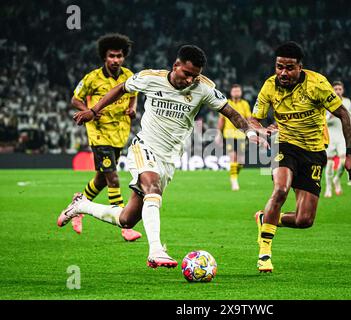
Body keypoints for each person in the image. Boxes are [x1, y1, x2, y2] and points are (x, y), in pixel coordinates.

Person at [57, 45, 268, 268]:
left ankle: (81, 205)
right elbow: (121, 89)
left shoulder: (203, 88)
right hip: (144, 147)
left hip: (169, 159)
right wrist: (94, 110)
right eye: (186, 74)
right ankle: (156, 250)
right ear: (175, 65)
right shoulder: (150, 78)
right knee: (153, 188)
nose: (190, 80)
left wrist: (250, 132)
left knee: (127, 219)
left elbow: (230, 112)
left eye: (194, 76)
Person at [249, 41, 351, 273]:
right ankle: (264, 252)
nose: (283, 73)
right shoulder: (269, 86)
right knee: (280, 189)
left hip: (313, 152)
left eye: (289, 68)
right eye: (279, 67)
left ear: (300, 67)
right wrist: (260, 130)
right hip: (285, 146)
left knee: (304, 220)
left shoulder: (317, 84)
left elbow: (344, 115)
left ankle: (266, 218)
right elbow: (254, 118)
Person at [70, 33, 142, 241]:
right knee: (112, 176)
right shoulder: (92, 78)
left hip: (119, 133)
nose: (116, 60)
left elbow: (134, 94)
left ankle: (78, 206)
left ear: (124, 57)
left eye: (119, 56)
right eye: (111, 56)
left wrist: (132, 108)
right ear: (104, 57)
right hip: (99, 132)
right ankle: (124, 224)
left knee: (101, 179)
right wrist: (89, 110)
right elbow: (75, 99)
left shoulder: (129, 75)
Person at [215, 84, 252, 191]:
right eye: (234, 91)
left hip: (241, 135)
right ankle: (234, 181)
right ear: (231, 93)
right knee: (233, 157)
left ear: (241, 92)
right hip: (229, 134)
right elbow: (221, 120)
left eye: (238, 91)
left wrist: (251, 131)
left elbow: (248, 118)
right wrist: (218, 133)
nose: (236, 93)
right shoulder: (227, 104)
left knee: (241, 162)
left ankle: (234, 174)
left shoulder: (245, 104)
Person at [324, 81, 351, 197]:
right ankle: (329, 188)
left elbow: (348, 118)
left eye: (340, 89)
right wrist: (331, 114)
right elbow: (324, 120)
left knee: (344, 160)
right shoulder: (326, 101)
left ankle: (337, 179)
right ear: (332, 90)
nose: (338, 91)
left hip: (341, 136)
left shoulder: (347, 102)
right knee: (329, 163)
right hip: (330, 135)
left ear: (343, 90)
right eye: (335, 89)